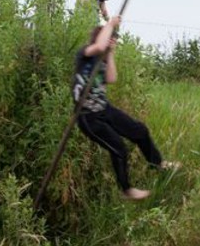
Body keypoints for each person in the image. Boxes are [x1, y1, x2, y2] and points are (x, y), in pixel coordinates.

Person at [72, 13, 177, 200]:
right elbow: (99, 46)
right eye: (109, 39)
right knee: (118, 148)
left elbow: (112, 78)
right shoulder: (85, 54)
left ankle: (157, 163)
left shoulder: (103, 60)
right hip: (88, 116)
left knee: (140, 130)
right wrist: (110, 24)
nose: (111, 42)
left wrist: (110, 53)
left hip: (104, 109)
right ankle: (126, 190)